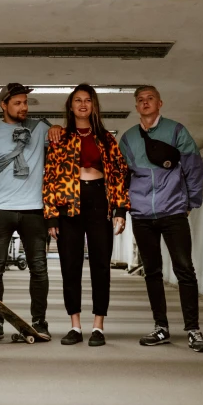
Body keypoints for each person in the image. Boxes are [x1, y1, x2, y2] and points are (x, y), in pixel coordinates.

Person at [118, 85, 203, 352]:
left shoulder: (176, 131)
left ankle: (193, 330)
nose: (145, 103)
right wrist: (122, 209)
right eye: (140, 100)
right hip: (142, 214)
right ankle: (161, 328)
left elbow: (194, 166)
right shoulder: (128, 139)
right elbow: (122, 177)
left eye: (150, 99)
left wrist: (191, 201)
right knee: (152, 271)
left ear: (160, 103)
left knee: (184, 269)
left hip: (173, 211)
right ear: (136, 107)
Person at [43, 84, 129, 347]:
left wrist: (120, 209)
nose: (83, 104)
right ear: (71, 106)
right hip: (68, 203)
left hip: (99, 201)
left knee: (101, 266)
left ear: (94, 106)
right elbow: (50, 177)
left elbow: (119, 173)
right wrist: (51, 216)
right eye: (78, 100)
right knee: (70, 266)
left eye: (88, 100)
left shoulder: (106, 138)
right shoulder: (60, 138)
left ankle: (98, 326)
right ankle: (75, 326)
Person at [0, 83, 51, 342]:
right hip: (0, 210)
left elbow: (60, 143)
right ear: (3, 105)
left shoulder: (40, 128)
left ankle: (39, 322)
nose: (24, 107)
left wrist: (58, 130)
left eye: (25, 102)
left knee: (39, 269)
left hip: (34, 209)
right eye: (17, 103)